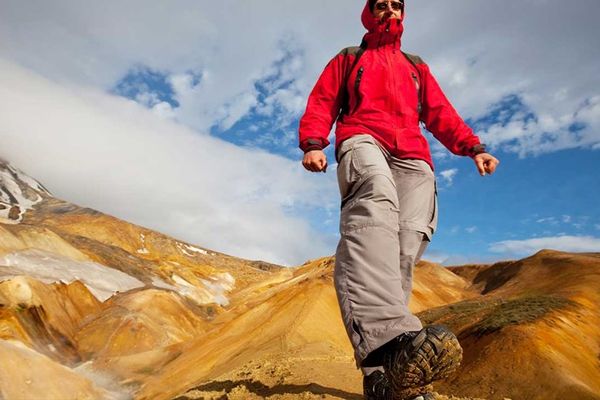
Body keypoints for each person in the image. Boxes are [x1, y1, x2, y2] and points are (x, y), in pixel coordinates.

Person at [298, 0, 499, 399]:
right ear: (368, 13)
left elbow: (440, 112)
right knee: (373, 211)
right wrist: (314, 142)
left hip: (412, 153)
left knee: (405, 245)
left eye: (397, 5)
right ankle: (388, 346)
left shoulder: (416, 65)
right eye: (381, 4)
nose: (390, 10)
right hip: (362, 136)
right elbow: (323, 100)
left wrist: (473, 147)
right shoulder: (349, 57)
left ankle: (389, 375)